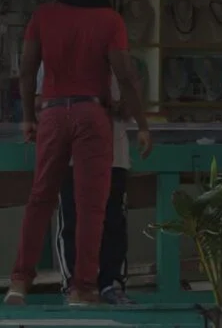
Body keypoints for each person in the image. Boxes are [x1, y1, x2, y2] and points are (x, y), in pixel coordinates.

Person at [5, 0, 151, 306]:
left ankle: (19, 282)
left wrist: (28, 117)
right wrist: (142, 124)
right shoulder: (109, 20)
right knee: (91, 206)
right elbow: (126, 76)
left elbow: (25, 71)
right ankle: (82, 289)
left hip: (53, 113)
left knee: (40, 198)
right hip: (91, 114)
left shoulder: (43, 16)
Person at [36, 63, 134, 305]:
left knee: (113, 220)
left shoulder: (116, 56)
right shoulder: (52, 53)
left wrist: (118, 107)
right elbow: (40, 103)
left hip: (113, 153)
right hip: (71, 155)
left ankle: (111, 283)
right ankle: (74, 284)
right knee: (73, 218)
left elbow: (131, 101)